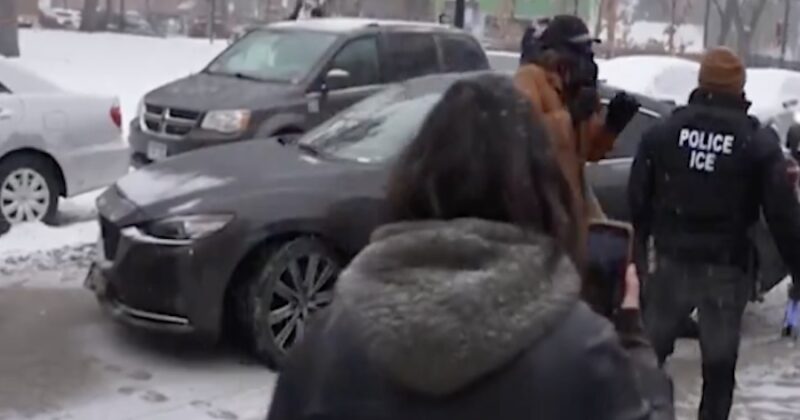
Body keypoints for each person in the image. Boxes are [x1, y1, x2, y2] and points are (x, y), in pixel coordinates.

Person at [266, 74, 673, 420]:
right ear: (541, 190)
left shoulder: (326, 347)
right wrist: (634, 346)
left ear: (413, 179)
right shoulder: (584, 355)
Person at [629, 47, 800, 420]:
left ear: (701, 81)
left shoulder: (664, 132)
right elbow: (783, 214)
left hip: (671, 262)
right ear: (739, 87)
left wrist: (640, 252)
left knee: (648, 360)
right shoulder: (756, 141)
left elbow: (637, 198)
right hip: (726, 269)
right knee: (718, 372)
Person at [514, 15, 641, 224]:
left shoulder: (575, 90)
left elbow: (587, 151)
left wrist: (612, 126)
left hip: (568, 201)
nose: (587, 60)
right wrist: (569, 116)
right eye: (580, 51)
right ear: (555, 54)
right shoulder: (531, 78)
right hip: (537, 200)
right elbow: (526, 135)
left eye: (589, 52)